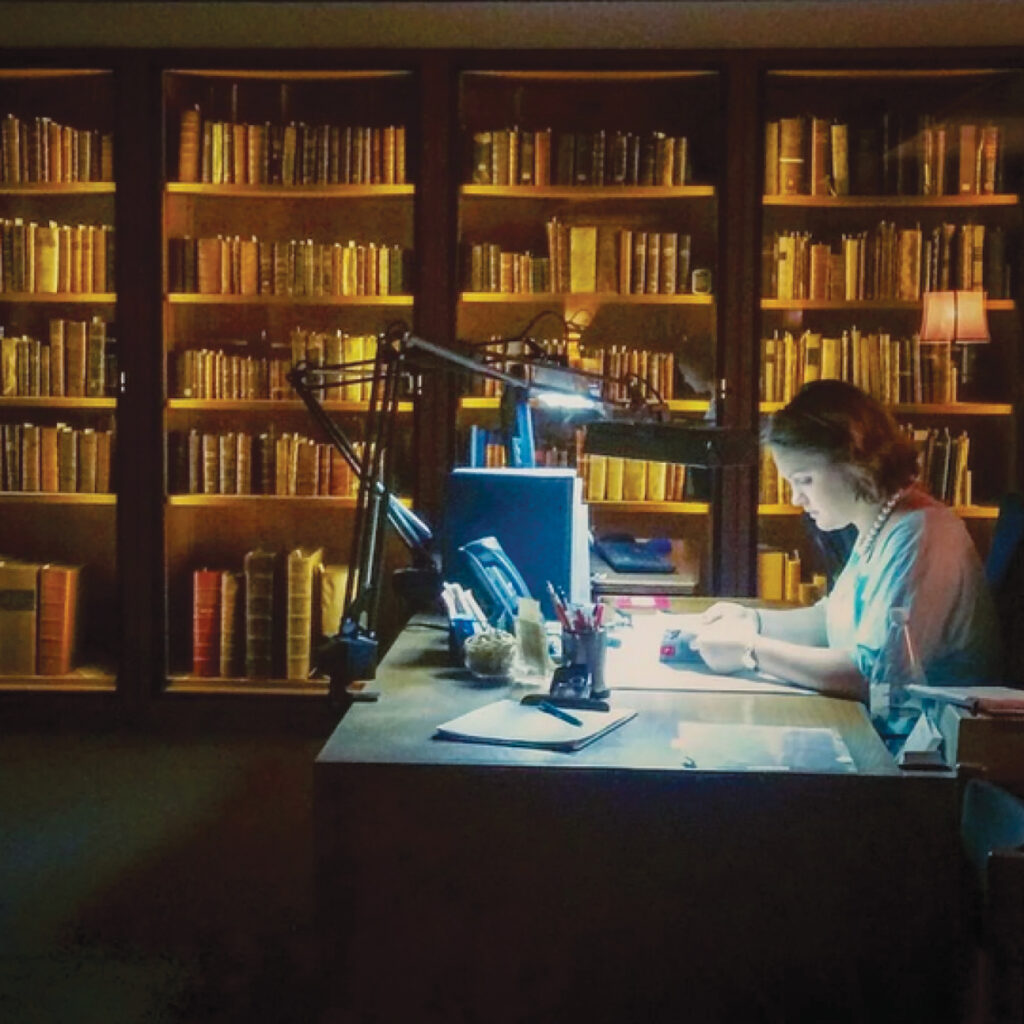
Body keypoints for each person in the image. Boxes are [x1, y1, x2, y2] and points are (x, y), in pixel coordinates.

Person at [693, 379, 1001, 699]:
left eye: (805, 480)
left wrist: (751, 651)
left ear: (855, 462)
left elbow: (871, 676)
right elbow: (833, 621)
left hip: (924, 742)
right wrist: (752, 620)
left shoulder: (921, 534)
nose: (797, 498)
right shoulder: (878, 524)